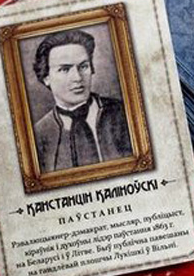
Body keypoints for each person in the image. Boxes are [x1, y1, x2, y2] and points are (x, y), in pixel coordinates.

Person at [32, 29, 132, 174]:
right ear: (46, 77)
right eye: (65, 69)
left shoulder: (124, 112)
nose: (77, 78)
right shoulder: (39, 135)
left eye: (83, 66)